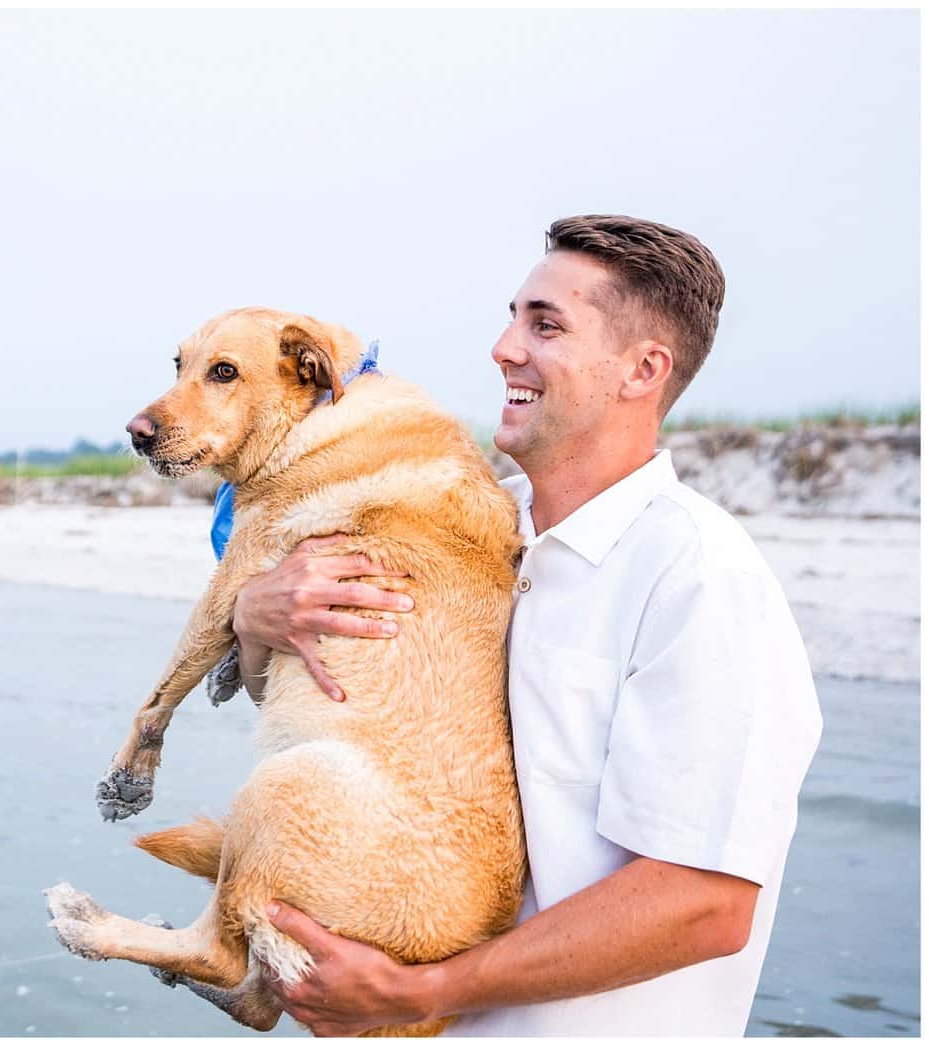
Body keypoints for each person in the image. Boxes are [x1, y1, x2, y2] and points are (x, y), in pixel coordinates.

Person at [232, 215, 822, 1035]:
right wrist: (256, 612)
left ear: (642, 369)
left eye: (544, 325)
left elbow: (704, 901)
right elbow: (317, 707)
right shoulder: (459, 524)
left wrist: (427, 991)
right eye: (513, 317)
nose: (504, 347)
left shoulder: (699, 575)